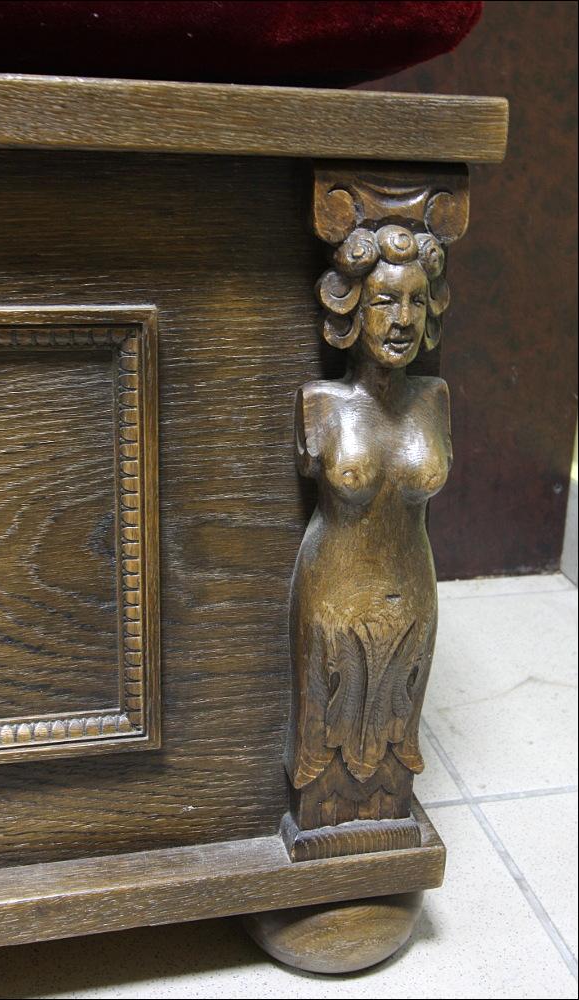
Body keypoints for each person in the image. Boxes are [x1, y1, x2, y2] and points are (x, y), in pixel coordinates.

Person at [285, 223, 452, 829]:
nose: (402, 319)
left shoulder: (433, 399)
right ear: (352, 309)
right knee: (327, 727)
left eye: (416, 301)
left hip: (412, 590)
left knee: (395, 721)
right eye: (385, 300)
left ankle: (380, 817)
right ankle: (327, 820)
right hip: (334, 591)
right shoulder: (320, 404)